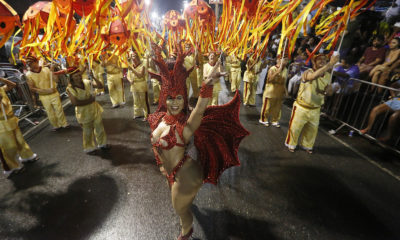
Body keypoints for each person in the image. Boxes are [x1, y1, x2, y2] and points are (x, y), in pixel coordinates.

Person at [148, 41, 248, 240]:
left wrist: (207, 85)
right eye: (170, 98)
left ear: (184, 99)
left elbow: (201, 108)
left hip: (186, 173)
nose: (174, 103)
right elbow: (155, 146)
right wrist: (160, 164)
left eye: (179, 98)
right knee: (180, 203)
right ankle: (186, 211)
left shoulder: (184, 127)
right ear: (163, 98)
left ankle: (187, 230)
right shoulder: (157, 119)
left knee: (179, 208)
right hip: (170, 174)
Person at [285, 53, 339, 153]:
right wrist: (330, 64)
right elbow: (312, 77)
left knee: (312, 130)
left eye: (325, 60)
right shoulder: (307, 72)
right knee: (295, 128)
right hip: (302, 107)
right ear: (314, 61)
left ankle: (307, 145)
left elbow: (328, 93)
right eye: (320, 59)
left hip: (316, 108)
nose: (323, 61)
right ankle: (291, 144)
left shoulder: (328, 76)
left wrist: (330, 90)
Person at [0, 77, 38, 178]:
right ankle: (11, 167)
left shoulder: (1, 89)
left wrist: (1, 78)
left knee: (20, 141)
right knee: (9, 147)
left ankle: (27, 156)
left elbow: (12, 85)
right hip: (2, 125)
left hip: (12, 121)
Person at [66, 67, 108, 153]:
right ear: (71, 78)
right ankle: (89, 147)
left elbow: (100, 86)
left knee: (99, 127)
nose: (78, 77)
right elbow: (75, 103)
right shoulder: (70, 88)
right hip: (83, 113)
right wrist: (90, 100)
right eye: (76, 76)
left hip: (94, 109)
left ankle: (102, 144)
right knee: (87, 131)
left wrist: (94, 77)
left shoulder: (86, 82)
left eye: (79, 75)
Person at [25, 56, 69, 131]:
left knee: (59, 109)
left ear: (36, 61)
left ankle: (64, 123)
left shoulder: (46, 69)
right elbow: (31, 88)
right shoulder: (28, 74)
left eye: (31, 63)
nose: (29, 65)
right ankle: (56, 125)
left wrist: (52, 71)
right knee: (49, 112)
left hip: (54, 93)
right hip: (44, 96)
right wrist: (45, 91)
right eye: (28, 64)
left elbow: (56, 80)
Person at [259, 57, 288, 127]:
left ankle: (275, 120)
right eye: (285, 59)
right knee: (267, 107)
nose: (286, 61)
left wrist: (286, 92)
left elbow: (284, 82)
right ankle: (263, 119)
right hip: (270, 91)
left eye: (287, 60)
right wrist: (277, 72)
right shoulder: (272, 68)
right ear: (279, 60)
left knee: (277, 108)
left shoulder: (286, 70)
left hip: (279, 92)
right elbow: (269, 79)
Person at [127, 51, 149, 120]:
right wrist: (130, 80)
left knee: (143, 101)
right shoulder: (131, 65)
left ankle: (147, 115)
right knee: (136, 101)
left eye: (134, 56)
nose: (133, 58)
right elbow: (128, 75)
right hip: (134, 86)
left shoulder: (142, 65)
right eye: (132, 56)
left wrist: (132, 70)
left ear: (138, 57)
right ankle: (137, 114)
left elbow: (140, 75)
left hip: (141, 85)